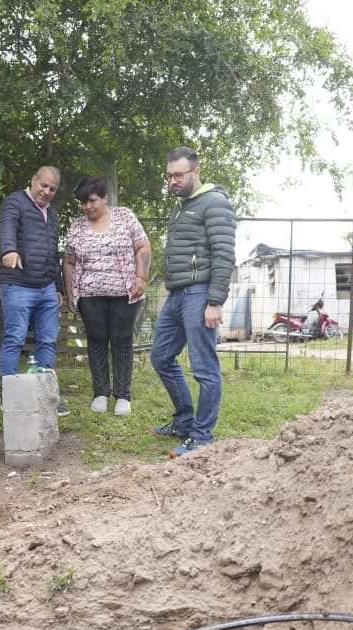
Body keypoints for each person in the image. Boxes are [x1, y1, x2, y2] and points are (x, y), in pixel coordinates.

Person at [150, 146, 237, 456]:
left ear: (195, 173)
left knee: (204, 367)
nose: (172, 181)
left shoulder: (214, 202)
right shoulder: (182, 206)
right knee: (160, 357)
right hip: (177, 294)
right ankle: (185, 421)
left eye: (178, 175)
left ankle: (202, 436)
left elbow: (224, 254)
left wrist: (214, 301)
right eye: (169, 176)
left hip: (200, 294)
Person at [63, 176, 152, 416]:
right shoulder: (77, 226)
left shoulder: (125, 216)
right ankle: (100, 392)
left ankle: (123, 395)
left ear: (105, 198)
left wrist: (141, 278)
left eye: (91, 201)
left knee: (122, 339)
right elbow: (69, 261)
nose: (86, 207)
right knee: (97, 339)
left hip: (125, 292)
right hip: (90, 294)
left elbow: (143, 246)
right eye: (82, 203)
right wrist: (71, 291)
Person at [0, 166, 69, 416]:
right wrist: (9, 250)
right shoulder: (14, 202)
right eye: (44, 185)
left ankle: (46, 397)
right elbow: (6, 227)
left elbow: (54, 253)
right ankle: (9, 396)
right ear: (33, 180)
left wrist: (58, 287)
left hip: (46, 287)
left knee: (48, 341)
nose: (47, 192)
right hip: (17, 284)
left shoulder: (53, 215)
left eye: (52, 189)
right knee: (14, 338)